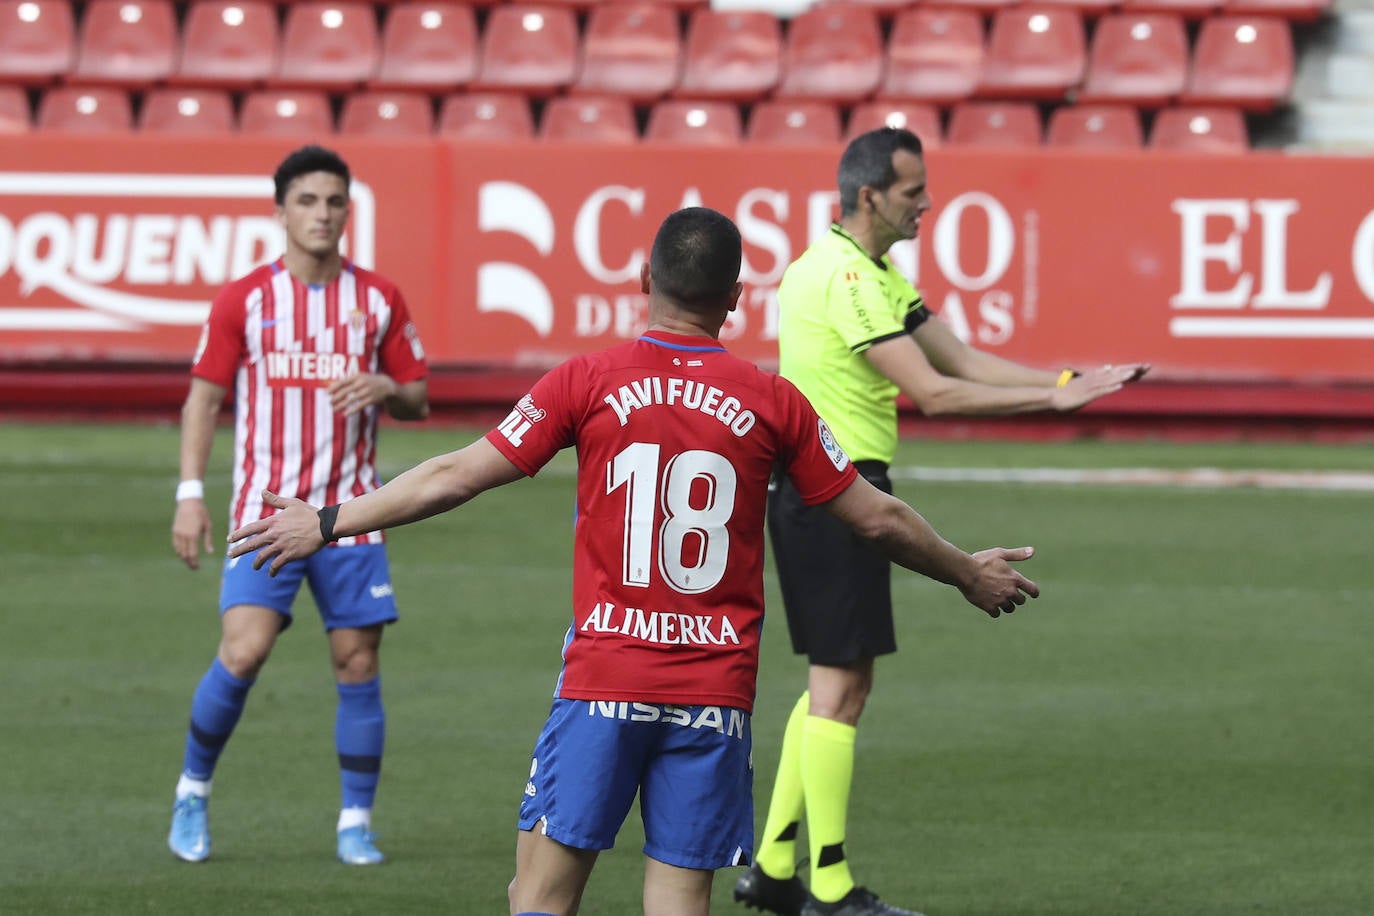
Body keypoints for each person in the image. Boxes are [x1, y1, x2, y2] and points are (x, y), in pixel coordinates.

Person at [224, 207, 1040, 916]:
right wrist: (966, 572)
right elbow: (878, 518)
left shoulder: (589, 381)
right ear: (735, 299)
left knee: (537, 899)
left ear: (641, 279)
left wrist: (329, 520)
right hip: (713, 698)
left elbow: (455, 475)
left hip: (605, 684)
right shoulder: (774, 401)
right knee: (679, 902)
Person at [733, 127, 1151, 916]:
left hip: (830, 489)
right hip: (836, 493)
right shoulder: (848, 279)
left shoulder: (869, 270)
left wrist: (1064, 381)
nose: (928, 203)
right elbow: (938, 392)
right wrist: (1052, 400)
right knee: (842, 688)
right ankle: (826, 889)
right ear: (869, 196)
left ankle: (775, 867)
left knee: (833, 678)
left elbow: (960, 357)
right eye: (913, 191)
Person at [167, 144, 430, 866]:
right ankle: (192, 790)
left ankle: (354, 822)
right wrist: (191, 495)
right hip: (264, 511)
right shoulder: (245, 299)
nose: (322, 214)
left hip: (351, 516)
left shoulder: (378, 299)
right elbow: (204, 399)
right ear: (281, 210)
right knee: (244, 650)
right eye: (308, 201)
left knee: (356, 661)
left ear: (349, 211)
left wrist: (383, 387)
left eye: (335, 201)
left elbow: (418, 395)